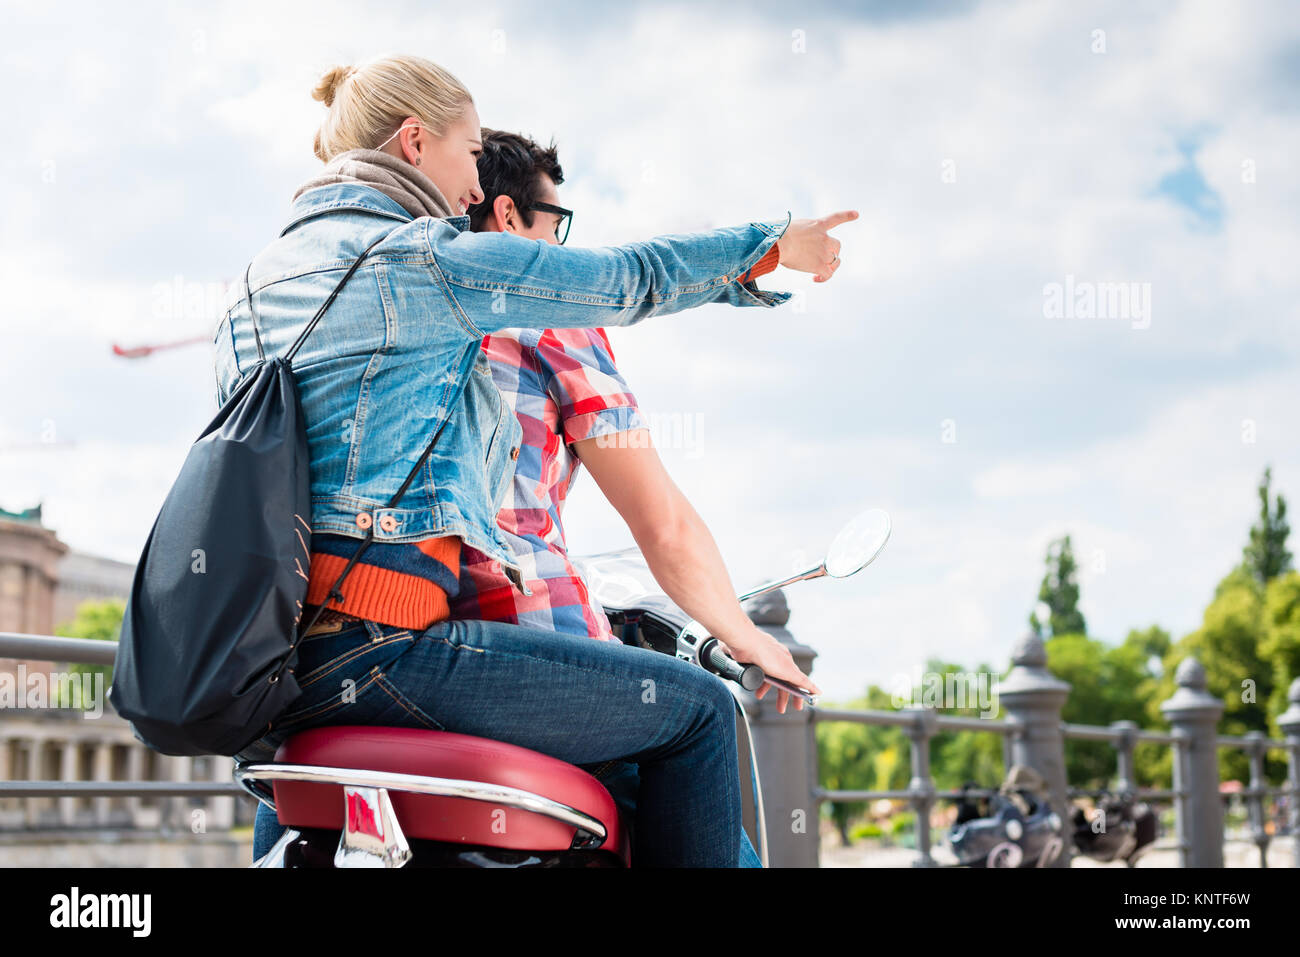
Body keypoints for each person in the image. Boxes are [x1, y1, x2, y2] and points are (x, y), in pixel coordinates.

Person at [224, 53, 853, 867]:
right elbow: (630, 281)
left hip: (271, 669)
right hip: (390, 644)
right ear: (416, 142)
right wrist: (768, 246)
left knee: (300, 787)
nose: (473, 186)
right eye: (467, 150)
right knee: (699, 710)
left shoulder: (251, 290)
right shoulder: (436, 268)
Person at [450, 129, 791, 865]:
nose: (564, 240)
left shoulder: (395, 309)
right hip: (531, 639)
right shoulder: (551, 313)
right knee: (697, 722)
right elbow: (660, 521)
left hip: (387, 646)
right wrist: (747, 636)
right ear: (508, 216)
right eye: (556, 220)